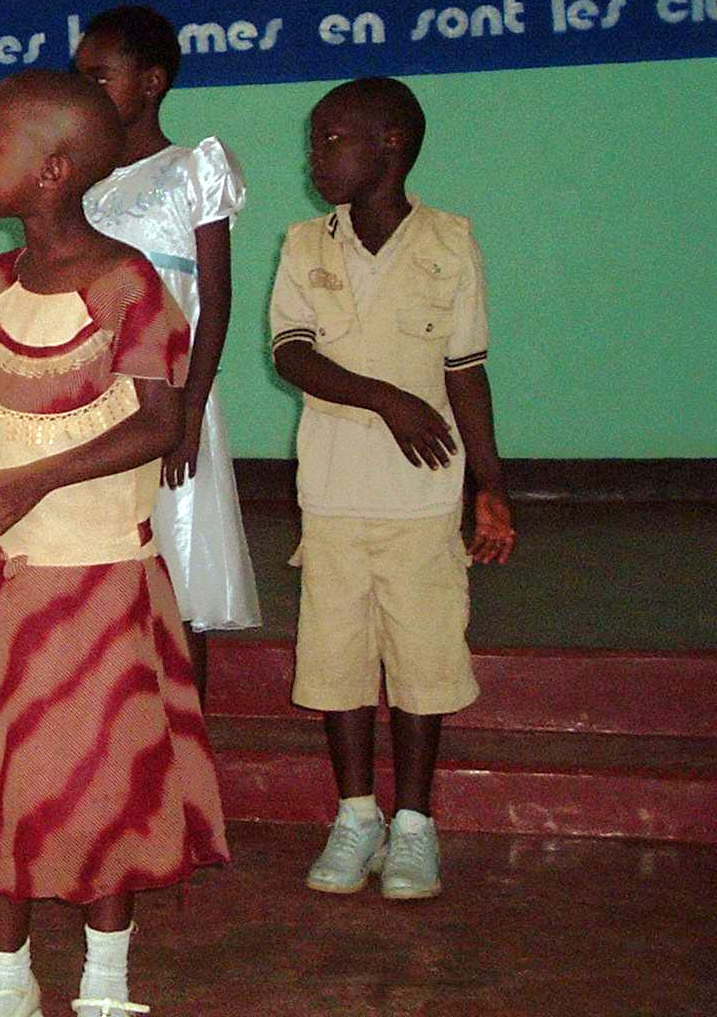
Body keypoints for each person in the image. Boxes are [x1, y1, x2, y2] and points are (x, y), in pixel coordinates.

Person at [0, 71, 228, 1017]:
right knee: (1, 776)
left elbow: (158, 426)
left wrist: (35, 483)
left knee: (103, 781)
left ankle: (107, 983)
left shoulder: (126, 284)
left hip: (102, 586)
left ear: (49, 172)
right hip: (10, 587)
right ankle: (6, 980)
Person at [268, 76, 515, 903]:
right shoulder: (306, 244)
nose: (316, 156)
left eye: (333, 140)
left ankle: (414, 824)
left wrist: (491, 486)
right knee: (335, 659)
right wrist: (386, 398)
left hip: (424, 499)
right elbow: (290, 354)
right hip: (333, 493)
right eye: (315, 140)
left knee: (423, 657)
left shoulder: (450, 242)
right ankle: (355, 815)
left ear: (391, 147)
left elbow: (468, 371)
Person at [74, 5, 261, 696]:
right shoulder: (78, 184)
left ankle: (186, 757)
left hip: (171, 399)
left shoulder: (193, 170)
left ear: (151, 82)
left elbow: (214, 301)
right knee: (101, 575)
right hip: (91, 405)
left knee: (177, 577)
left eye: (100, 76)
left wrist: (186, 410)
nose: (85, 89)